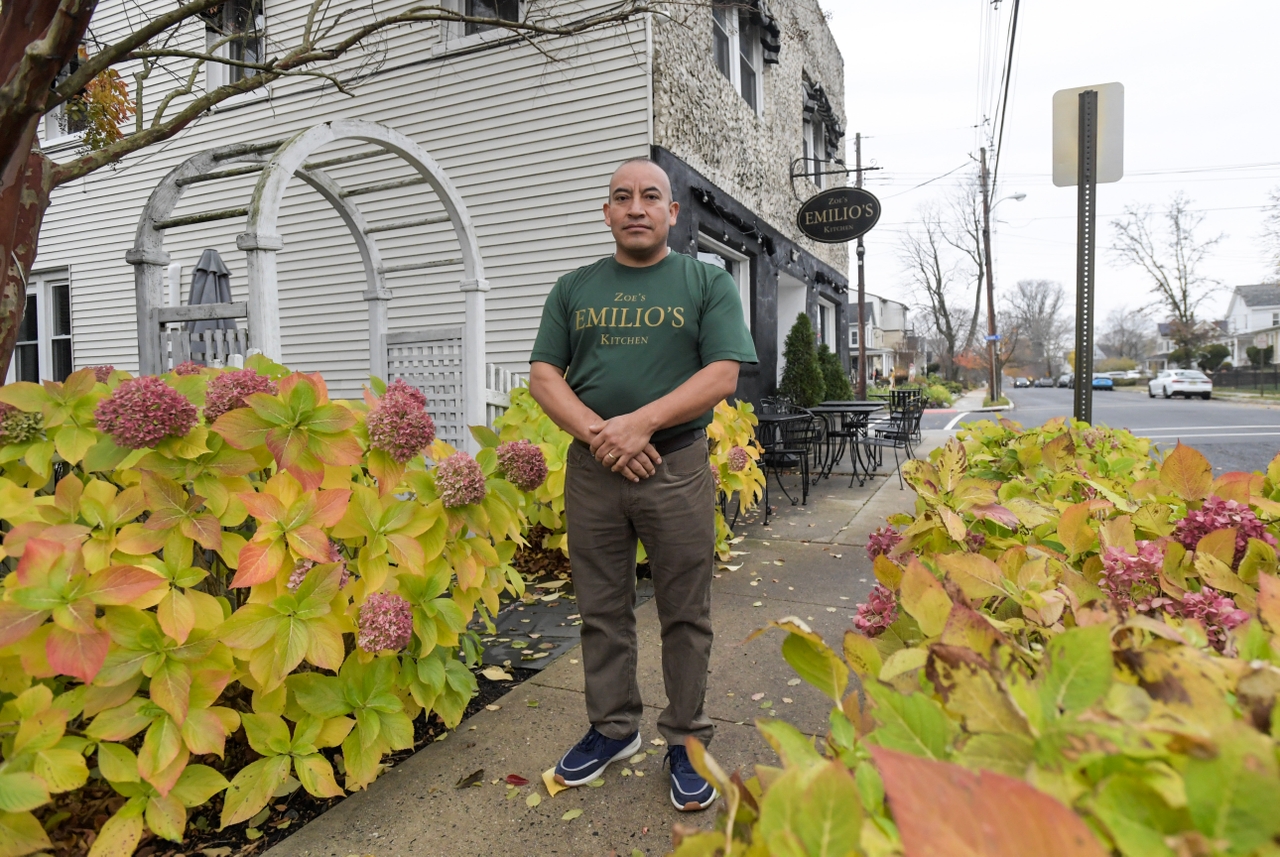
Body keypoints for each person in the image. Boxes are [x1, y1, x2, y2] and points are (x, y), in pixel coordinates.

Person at [528, 157, 757, 812]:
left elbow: (721, 375)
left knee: (685, 609)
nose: (635, 206)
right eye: (621, 197)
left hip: (677, 465)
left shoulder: (705, 283)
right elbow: (546, 375)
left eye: (650, 196)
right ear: (607, 213)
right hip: (593, 471)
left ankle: (686, 739)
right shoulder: (573, 287)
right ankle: (612, 728)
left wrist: (642, 425)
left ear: (672, 213)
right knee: (602, 606)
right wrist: (605, 435)